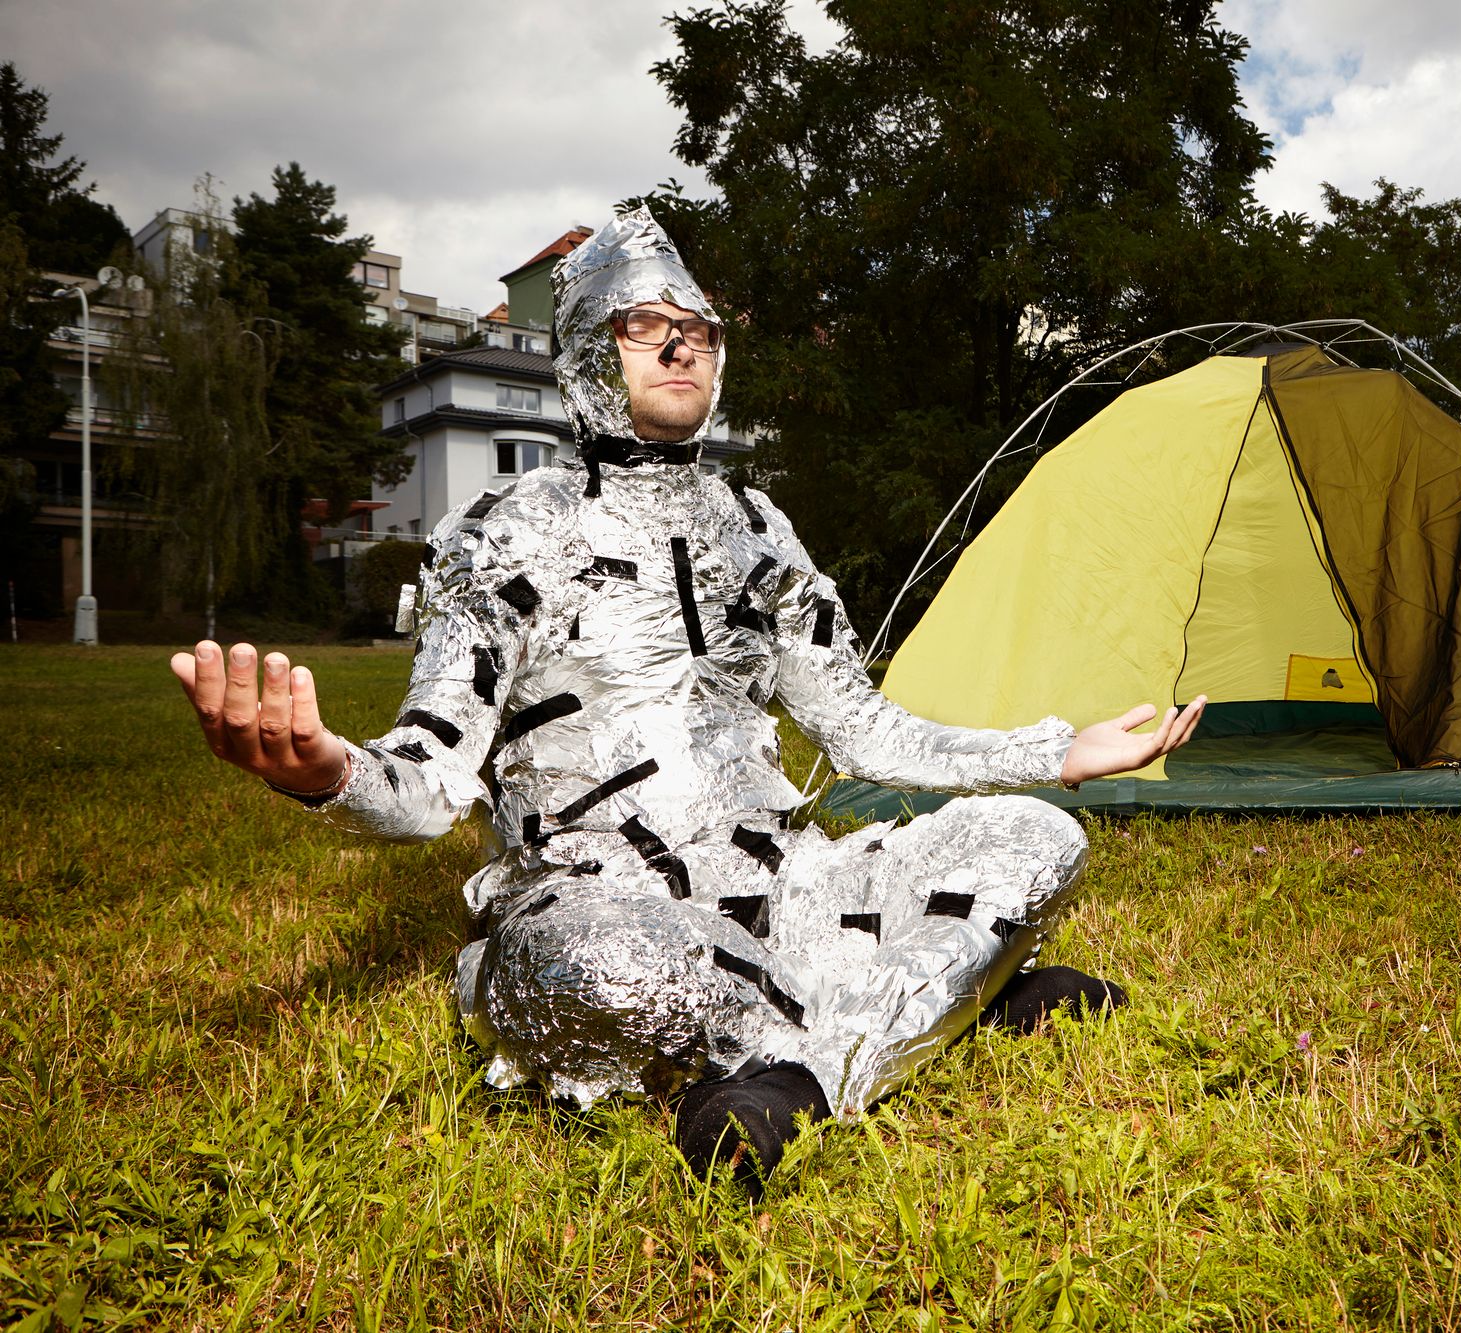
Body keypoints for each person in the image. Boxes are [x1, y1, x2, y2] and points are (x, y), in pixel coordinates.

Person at [170, 207, 1204, 1193]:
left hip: (784, 884)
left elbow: (861, 727)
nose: (681, 349)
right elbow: (432, 774)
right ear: (586, 352)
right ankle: (946, 1002)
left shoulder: (758, 528)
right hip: (600, 901)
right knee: (604, 966)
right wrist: (325, 772)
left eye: (698, 331)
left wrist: (1057, 752)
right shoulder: (507, 529)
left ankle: (800, 1073)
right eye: (644, 328)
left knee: (1035, 839)